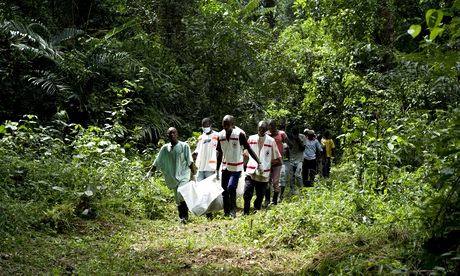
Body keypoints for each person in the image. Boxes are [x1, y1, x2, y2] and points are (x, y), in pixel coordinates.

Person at [146, 127, 195, 223]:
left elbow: (190, 161)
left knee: (181, 192)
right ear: (167, 136)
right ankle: (182, 217)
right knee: (177, 198)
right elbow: (157, 162)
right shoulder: (165, 149)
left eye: (174, 133)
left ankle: (185, 216)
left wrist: (193, 175)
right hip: (172, 176)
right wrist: (150, 173)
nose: (172, 135)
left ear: (177, 134)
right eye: (170, 133)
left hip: (184, 175)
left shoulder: (184, 146)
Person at [216, 115, 261, 218]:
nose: (226, 127)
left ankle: (233, 210)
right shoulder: (220, 135)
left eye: (228, 125)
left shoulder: (239, 135)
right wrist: (217, 169)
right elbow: (219, 153)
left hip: (236, 167)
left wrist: (259, 162)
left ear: (233, 124)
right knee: (224, 190)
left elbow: (249, 149)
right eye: (224, 125)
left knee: (231, 187)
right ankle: (226, 212)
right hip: (225, 166)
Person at [243, 121, 281, 215]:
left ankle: (256, 209)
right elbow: (246, 154)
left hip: (263, 174)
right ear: (257, 128)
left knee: (260, 195)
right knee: (247, 193)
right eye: (260, 129)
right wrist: (243, 166)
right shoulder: (251, 138)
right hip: (251, 171)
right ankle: (246, 212)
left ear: (266, 130)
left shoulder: (271, 141)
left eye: (263, 130)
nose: (261, 131)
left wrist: (267, 166)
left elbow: (277, 158)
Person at [264, 120, 291, 206]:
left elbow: (290, 144)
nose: (270, 128)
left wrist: (286, 146)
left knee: (276, 182)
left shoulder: (281, 134)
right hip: (267, 162)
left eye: (272, 126)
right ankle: (267, 200)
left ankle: (274, 201)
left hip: (278, 162)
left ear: (275, 126)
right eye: (269, 126)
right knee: (266, 181)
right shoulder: (266, 135)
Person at [280, 126, 306, 200]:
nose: (295, 134)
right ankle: (292, 190)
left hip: (300, 159)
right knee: (291, 176)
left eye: (296, 133)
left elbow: (303, 149)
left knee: (298, 175)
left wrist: (298, 139)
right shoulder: (289, 138)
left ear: (298, 132)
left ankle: (302, 190)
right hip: (291, 159)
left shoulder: (302, 137)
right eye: (294, 133)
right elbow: (288, 148)